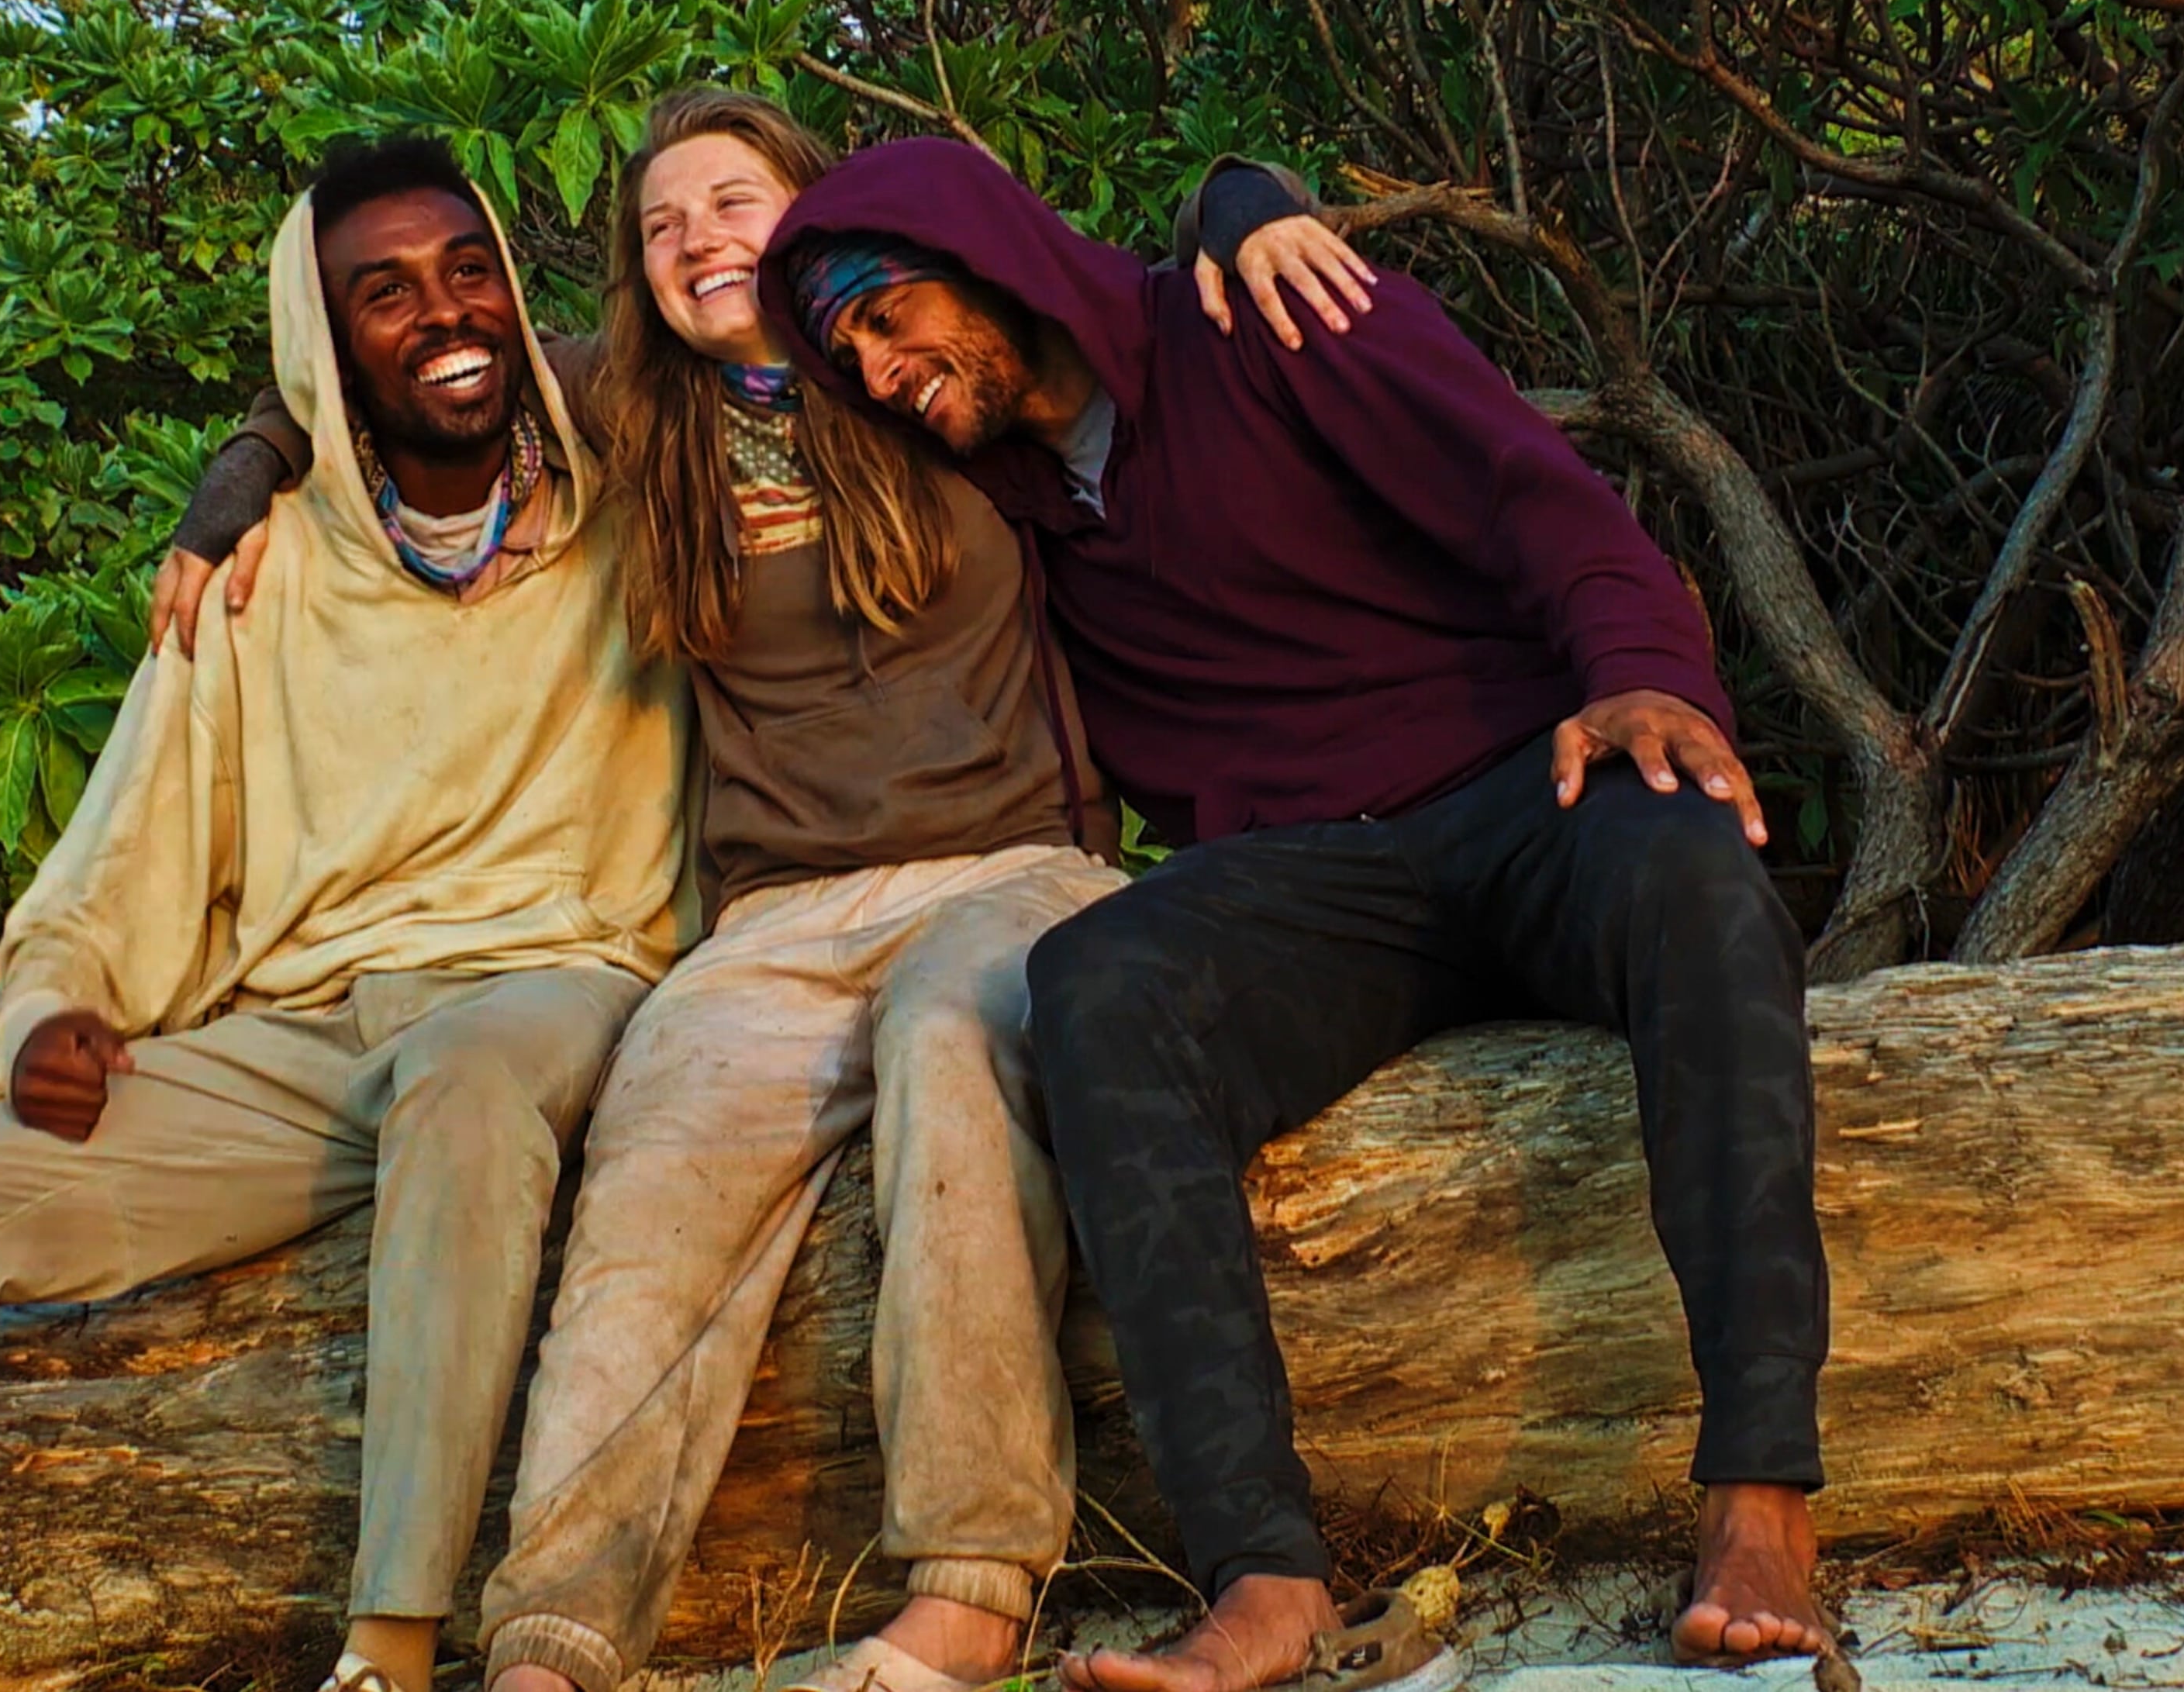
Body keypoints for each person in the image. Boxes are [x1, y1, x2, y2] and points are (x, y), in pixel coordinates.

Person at [153, 93, 1374, 1692]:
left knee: (955, 1044)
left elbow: (1129, 297)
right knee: (653, 1159)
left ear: (814, 210)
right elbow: (397, 366)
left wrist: (1245, 194)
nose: (698, 242)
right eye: (662, 227)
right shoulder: (622, 412)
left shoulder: (924, 349)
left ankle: (972, 1580)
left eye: (732, 203)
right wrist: (236, 476)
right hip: (774, 917)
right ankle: (554, 1635)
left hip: (1013, 871)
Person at [756, 138, 1834, 1683]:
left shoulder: (1259, 318)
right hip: (1317, 885)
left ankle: (1760, 1496)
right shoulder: (994, 516)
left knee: (1696, 871)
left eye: (883, 307)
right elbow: (642, 399)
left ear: (981, 246)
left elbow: (1531, 492)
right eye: (842, 350)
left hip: (1526, 785)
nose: (876, 366)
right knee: (1097, 977)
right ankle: (1265, 1582)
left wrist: (1645, 679)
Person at [0, 138, 693, 1692]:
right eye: (384, 293)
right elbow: (109, 868)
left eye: (469, 268)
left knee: (467, 1076)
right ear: (321, 346)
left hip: (550, 986)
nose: (446, 313)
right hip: (297, 1043)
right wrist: (46, 1020)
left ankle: (389, 1648)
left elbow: (766, 346)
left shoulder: (639, 502)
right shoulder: (255, 577)